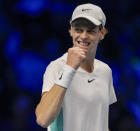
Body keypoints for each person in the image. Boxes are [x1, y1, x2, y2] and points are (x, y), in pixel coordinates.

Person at [35, 3, 117, 131]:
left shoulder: (105, 71)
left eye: (90, 30)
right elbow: (43, 119)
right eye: (78, 29)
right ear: (71, 31)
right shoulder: (56, 67)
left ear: (102, 33)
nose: (83, 36)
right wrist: (69, 69)